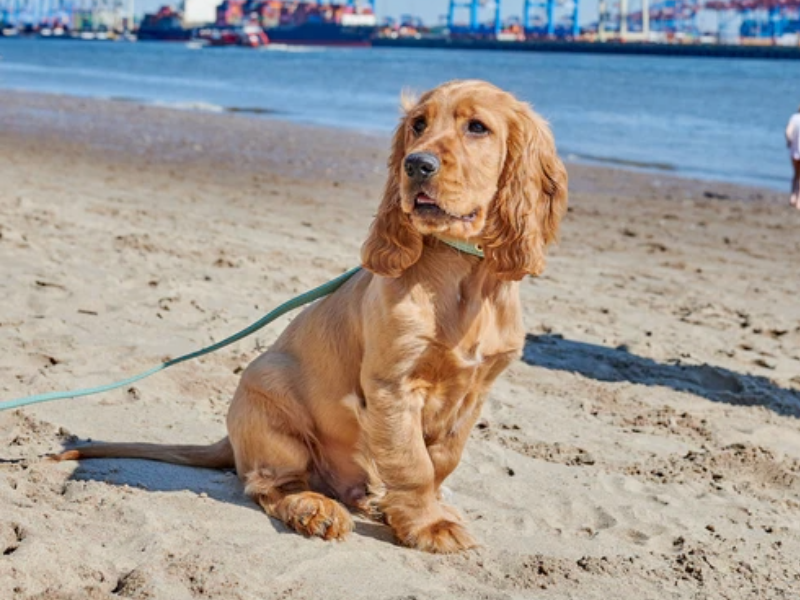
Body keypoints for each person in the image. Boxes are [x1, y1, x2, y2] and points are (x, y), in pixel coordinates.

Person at [786, 106, 800, 208]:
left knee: (796, 174)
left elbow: (788, 132)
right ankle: (799, 201)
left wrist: (789, 141)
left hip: (794, 152)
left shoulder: (794, 118)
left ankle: (792, 197)